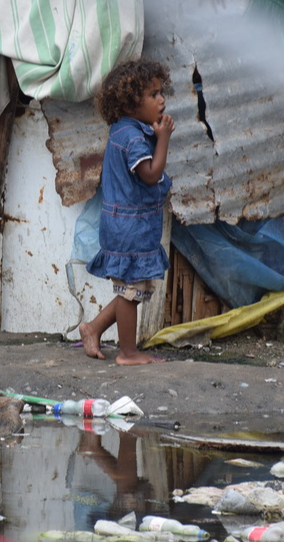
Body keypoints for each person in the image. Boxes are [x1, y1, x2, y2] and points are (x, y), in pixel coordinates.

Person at [79, 59, 174, 366]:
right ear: (130, 103)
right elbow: (150, 173)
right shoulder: (132, 137)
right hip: (128, 229)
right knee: (130, 291)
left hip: (131, 226)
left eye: (161, 93)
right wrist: (164, 139)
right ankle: (127, 352)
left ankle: (92, 328)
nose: (161, 100)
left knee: (131, 289)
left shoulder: (126, 130)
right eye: (152, 95)